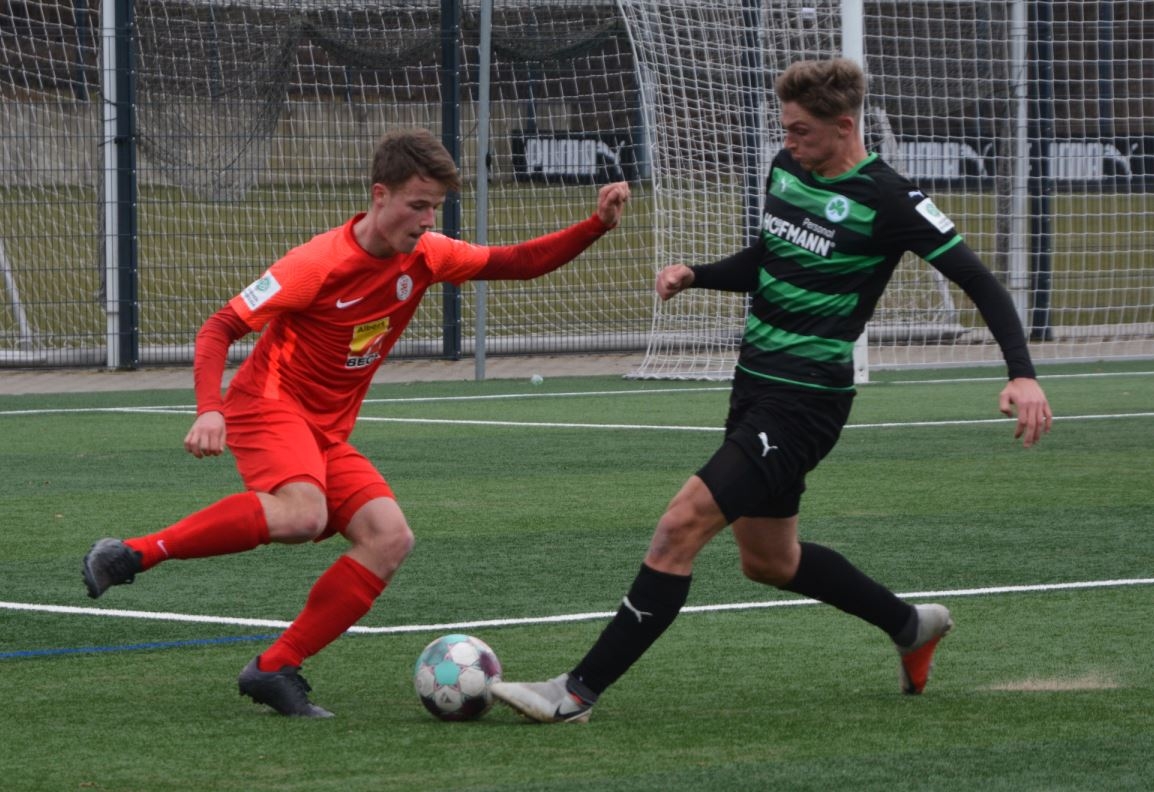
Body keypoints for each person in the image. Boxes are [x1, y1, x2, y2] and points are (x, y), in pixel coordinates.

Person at [490, 58, 1053, 724]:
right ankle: (910, 625)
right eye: (785, 128)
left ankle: (575, 693)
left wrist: (1021, 372)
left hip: (806, 402)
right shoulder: (787, 169)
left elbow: (979, 281)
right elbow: (770, 257)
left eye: (801, 130)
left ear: (844, 127)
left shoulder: (891, 199)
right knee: (769, 561)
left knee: (679, 526)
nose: (788, 142)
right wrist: (698, 274)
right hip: (753, 387)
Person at [82, 127, 631, 718]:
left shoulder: (427, 256)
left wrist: (595, 225)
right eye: (417, 205)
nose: (427, 220)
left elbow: (516, 262)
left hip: (324, 431)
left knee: (390, 537)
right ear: (379, 195)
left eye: (435, 207)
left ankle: (274, 667)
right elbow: (220, 327)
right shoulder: (316, 264)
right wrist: (209, 408)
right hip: (268, 404)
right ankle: (133, 554)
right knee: (303, 514)